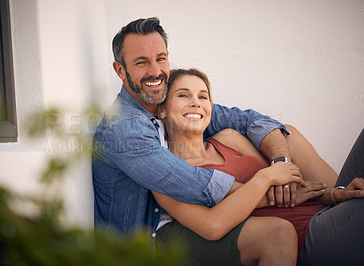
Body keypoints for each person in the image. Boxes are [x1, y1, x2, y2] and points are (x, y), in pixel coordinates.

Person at [92, 16, 296, 240]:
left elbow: (253, 121)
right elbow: (194, 184)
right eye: (141, 62)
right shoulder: (123, 127)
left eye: (160, 59)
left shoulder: (169, 103)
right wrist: (274, 190)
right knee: (279, 232)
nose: (155, 71)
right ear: (120, 70)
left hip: (190, 226)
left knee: (290, 137)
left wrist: (281, 163)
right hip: (147, 249)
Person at [154, 68, 364, 265]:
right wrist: (266, 178)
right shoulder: (169, 173)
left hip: (325, 211)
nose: (196, 103)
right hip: (307, 236)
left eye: (203, 96)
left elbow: (289, 189)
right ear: (162, 110)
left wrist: (337, 194)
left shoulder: (229, 139)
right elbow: (213, 225)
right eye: (183, 95)